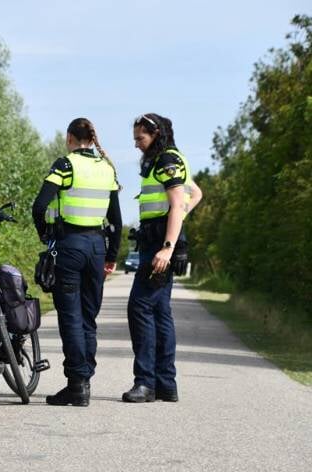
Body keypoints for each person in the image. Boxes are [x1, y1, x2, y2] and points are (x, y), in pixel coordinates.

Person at [32, 117, 122, 407]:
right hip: (97, 247)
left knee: (70, 315)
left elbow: (39, 205)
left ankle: (77, 384)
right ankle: (85, 379)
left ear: (70, 137)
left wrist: (45, 234)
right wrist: (111, 256)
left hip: (69, 245)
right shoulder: (106, 169)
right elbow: (117, 222)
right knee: (88, 316)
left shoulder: (66, 165)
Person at [123, 113, 203, 403]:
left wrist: (168, 245)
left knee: (139, 307)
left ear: (155, 134)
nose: (136, 145)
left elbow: (179, 201)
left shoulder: (168, 160)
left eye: (140, 138)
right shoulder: (166, 160)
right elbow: (195, 194)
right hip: (157, 240)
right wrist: (175, 223)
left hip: (159, 244)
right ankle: (166, 384)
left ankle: (146, 383)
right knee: (159, 312)